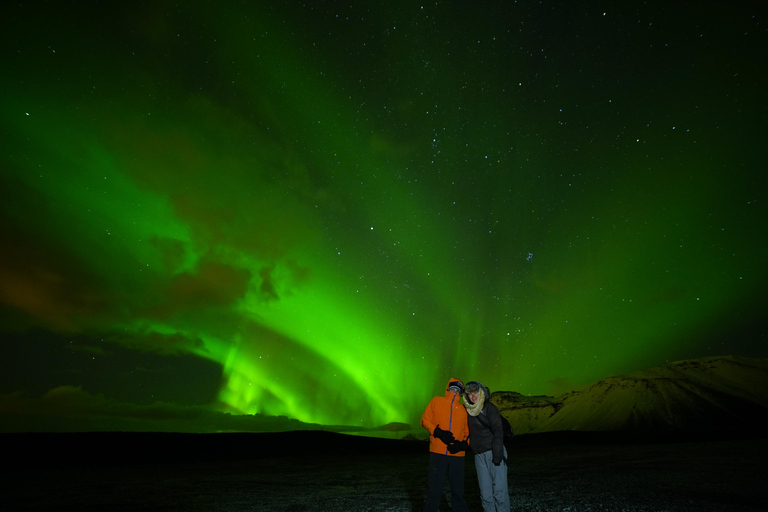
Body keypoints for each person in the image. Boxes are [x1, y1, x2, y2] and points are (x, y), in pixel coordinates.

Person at [420, 377, 470, 512]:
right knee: (434, 491)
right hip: (438, 453)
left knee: (458, 491)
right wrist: (438, 431)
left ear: (461, 393)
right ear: (448, 388)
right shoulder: (437, 401)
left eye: (458, 390)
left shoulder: (463, 409)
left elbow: (468, 433)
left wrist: (462, 445)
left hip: (457, 455)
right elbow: (425, 420)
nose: (455, 392)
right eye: (453, 389)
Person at [463, 380, 510, 512]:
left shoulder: (490, 408)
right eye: (470, 394)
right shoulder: (468, 410)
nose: (473, 396)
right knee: (486, 495)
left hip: (494, 453)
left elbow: (498, 432)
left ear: (482, 392)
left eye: (475, 392)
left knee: (499, 492)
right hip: (479, 456)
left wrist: (497, 455)